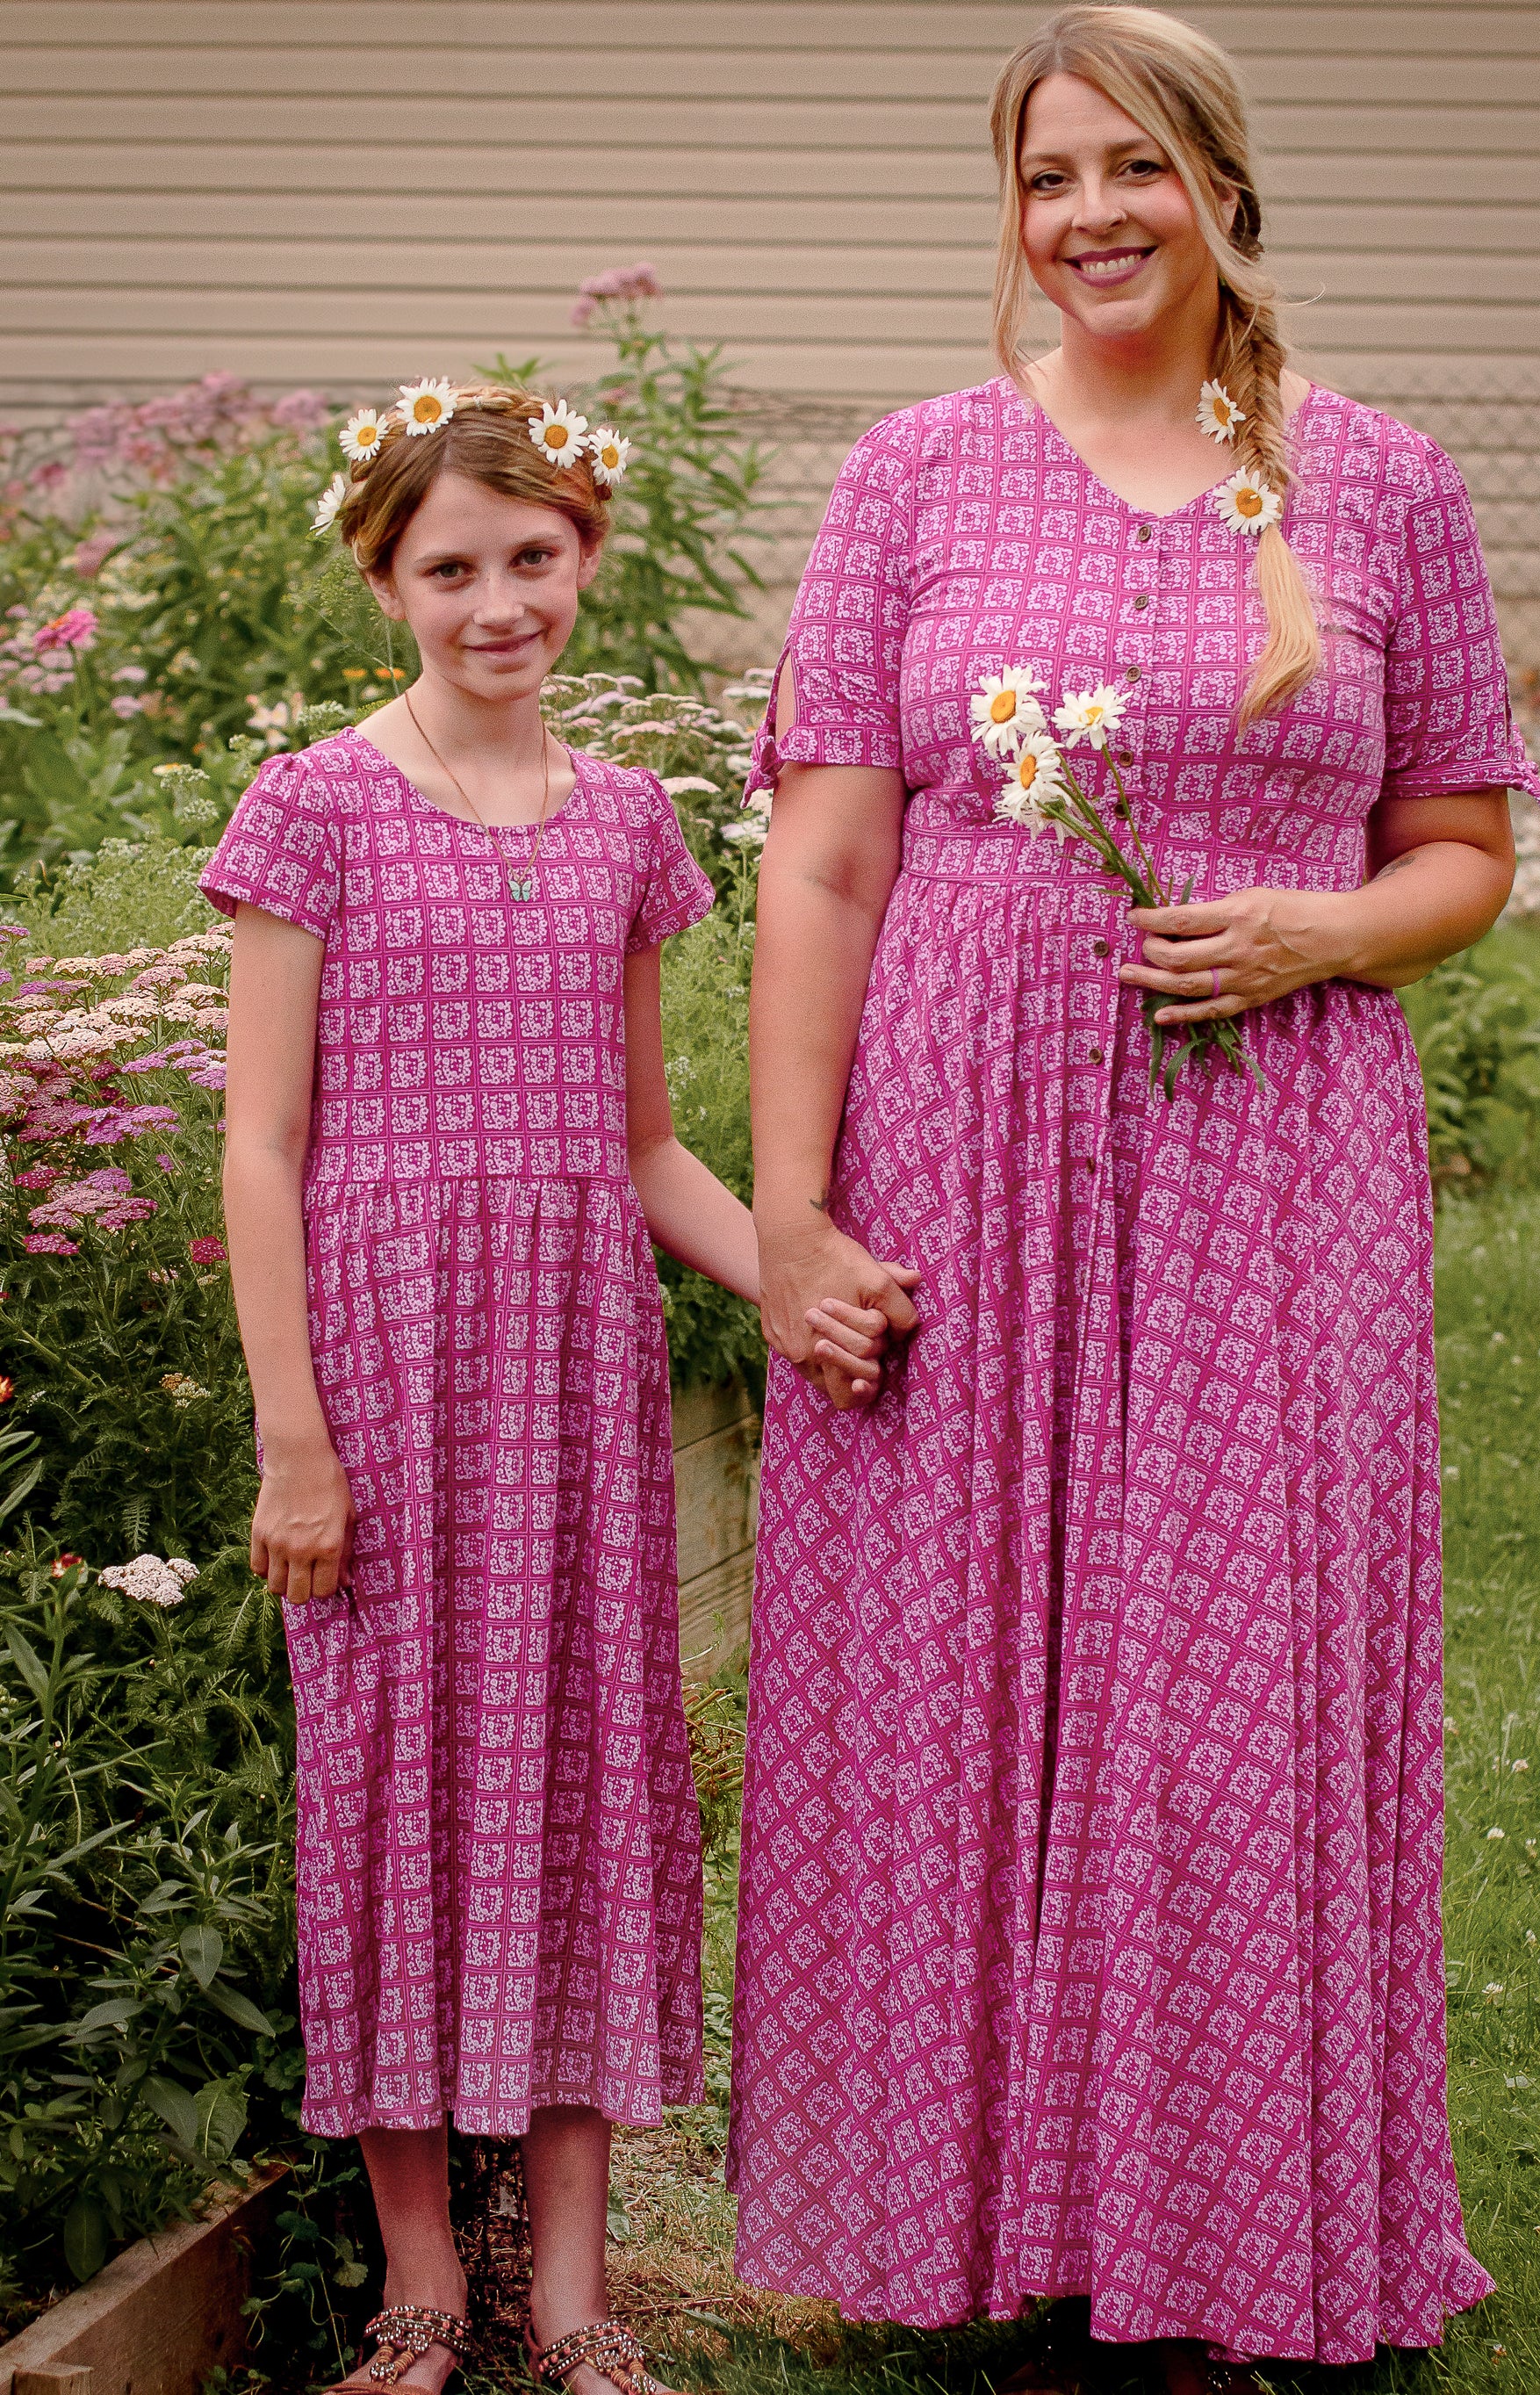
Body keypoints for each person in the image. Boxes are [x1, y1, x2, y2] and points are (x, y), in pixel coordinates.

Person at [731, 10, 1540, 2390]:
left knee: (1230, 1689)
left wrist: (1321, 927)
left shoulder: (1378, 485)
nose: (1088, 214)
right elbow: (826, 858)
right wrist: (790, 1215)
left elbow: (1471, 849)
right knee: (958, 1672)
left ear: (1221, 186)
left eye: (1134, 169)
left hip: (1270, 1156)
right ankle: (996, 2237)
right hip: (962, 1148)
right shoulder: (909, 478)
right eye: (1045, 175)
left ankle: (1238, 2252)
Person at [206, 382, 887, 2395]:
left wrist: (800, 1267)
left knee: (590, 1791)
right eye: (451, 566)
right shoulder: (311, 804)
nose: (498, 600)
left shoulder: (627, 826)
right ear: (385, 576)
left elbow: (644, 1146)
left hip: (577, 1394)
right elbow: (262, 1147)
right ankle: (422, 2282)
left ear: (584, 549)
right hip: (385, 1393)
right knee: (393, 1796)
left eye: (533, 556)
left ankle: (574, 2298)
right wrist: (293, 1431)